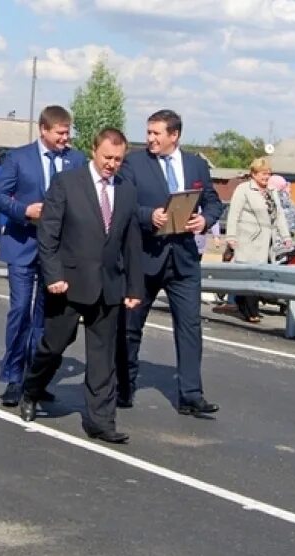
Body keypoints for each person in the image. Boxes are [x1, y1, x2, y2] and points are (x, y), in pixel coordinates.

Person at [18, 128, 145, 444]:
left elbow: (131, 242)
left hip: (109, 286)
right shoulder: (67, 184)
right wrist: (54, 276)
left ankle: (101, 421)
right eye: (107, 157)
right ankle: (32, 389)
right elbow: (48, 235)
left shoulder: (127, 191)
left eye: (118, 159)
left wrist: (134, 288)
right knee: (54, 345)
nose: (111, 164)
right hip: (68, 284)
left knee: (103, 358)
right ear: (93, 151)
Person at [116, 109, 224, 416]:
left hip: (184, 260)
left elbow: (214, 202)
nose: (150, 139)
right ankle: (124, 386)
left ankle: (191, 394)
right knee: (130, 327)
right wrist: (148, 216)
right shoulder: (134, 163)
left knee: (189, 327)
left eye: (156, 133)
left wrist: (205, 219)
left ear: (174, 135)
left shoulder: (196, 165)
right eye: (148, 132)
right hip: (146, 258)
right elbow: (122, 204)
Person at [0, 105, 87, 407]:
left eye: (67, 133)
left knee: (46, 317)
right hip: (23, 245)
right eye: (59, 133)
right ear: (43, 130)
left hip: (57, 252)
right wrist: (24, 211)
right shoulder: (19, 158)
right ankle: (13, 376)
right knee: (20, 310)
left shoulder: (76, 160)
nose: (64, 138)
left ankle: (36, 377)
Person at [222, 157, 293, 323]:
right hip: (247, 239)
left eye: (268, 174)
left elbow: (279, 215)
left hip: (266, 241)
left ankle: (247, 307)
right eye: (263, 174)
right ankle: (250, 311)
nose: (266, 177)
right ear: (253, 174)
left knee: (258, 276)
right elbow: (234, 214)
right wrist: (231, 236)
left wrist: (286, 236)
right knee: (248, 275)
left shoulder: (272, 191)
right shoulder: (243, 189)